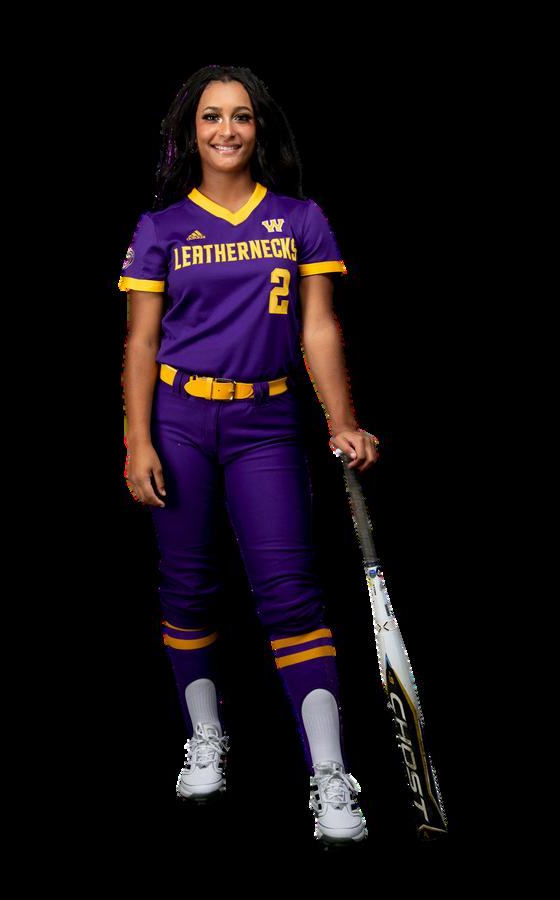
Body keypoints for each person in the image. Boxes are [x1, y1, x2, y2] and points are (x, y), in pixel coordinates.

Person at [119, 64, 379, 845]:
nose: (225, 130)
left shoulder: (299, 218)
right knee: (186, 586)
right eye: (211, 117)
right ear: (190, 131)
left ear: (259, 128)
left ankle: (329, 775)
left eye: (240, 116)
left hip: (265, 421)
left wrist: (344, 420)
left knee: (290, 594)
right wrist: (137, 439)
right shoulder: (161, 227)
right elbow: (141, 342)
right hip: (178, 420)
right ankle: (206, 739)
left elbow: (319, 327)